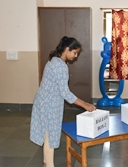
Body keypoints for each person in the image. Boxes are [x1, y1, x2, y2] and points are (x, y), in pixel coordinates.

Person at [30, 36, 96, 167]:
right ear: (67, 49)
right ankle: (49, 165)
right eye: (75, 52)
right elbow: (65, 93)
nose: (76, 56)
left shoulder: (54, 60)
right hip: (49, 105)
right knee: (50, 136)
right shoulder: (60, 66)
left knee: (47, 134)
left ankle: (45, 163)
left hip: (44, 102)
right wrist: (85, 105)